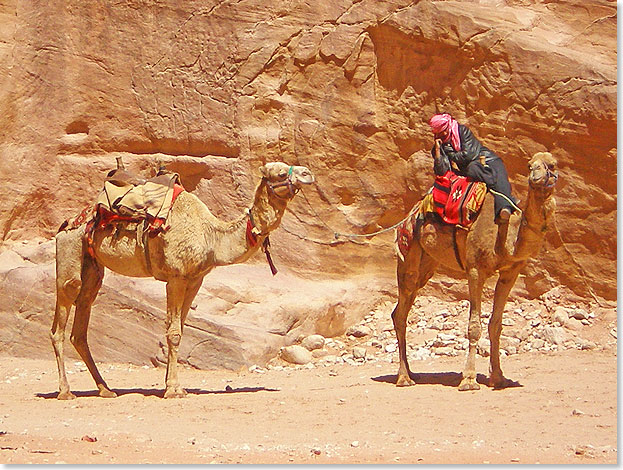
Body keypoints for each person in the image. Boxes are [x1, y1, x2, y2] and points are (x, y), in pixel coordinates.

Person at [428, 113, 516, 223]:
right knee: (472, 170)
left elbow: (469, 155)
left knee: (496, 172)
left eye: (445, 130)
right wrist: (438, 152)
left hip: (486, 159)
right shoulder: (441, 145)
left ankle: (505, 206)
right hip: (471, 169)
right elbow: (441, 171)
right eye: (441, 133)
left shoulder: (462, 131)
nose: (445, 133)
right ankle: (509, 201)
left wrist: (450, 152)